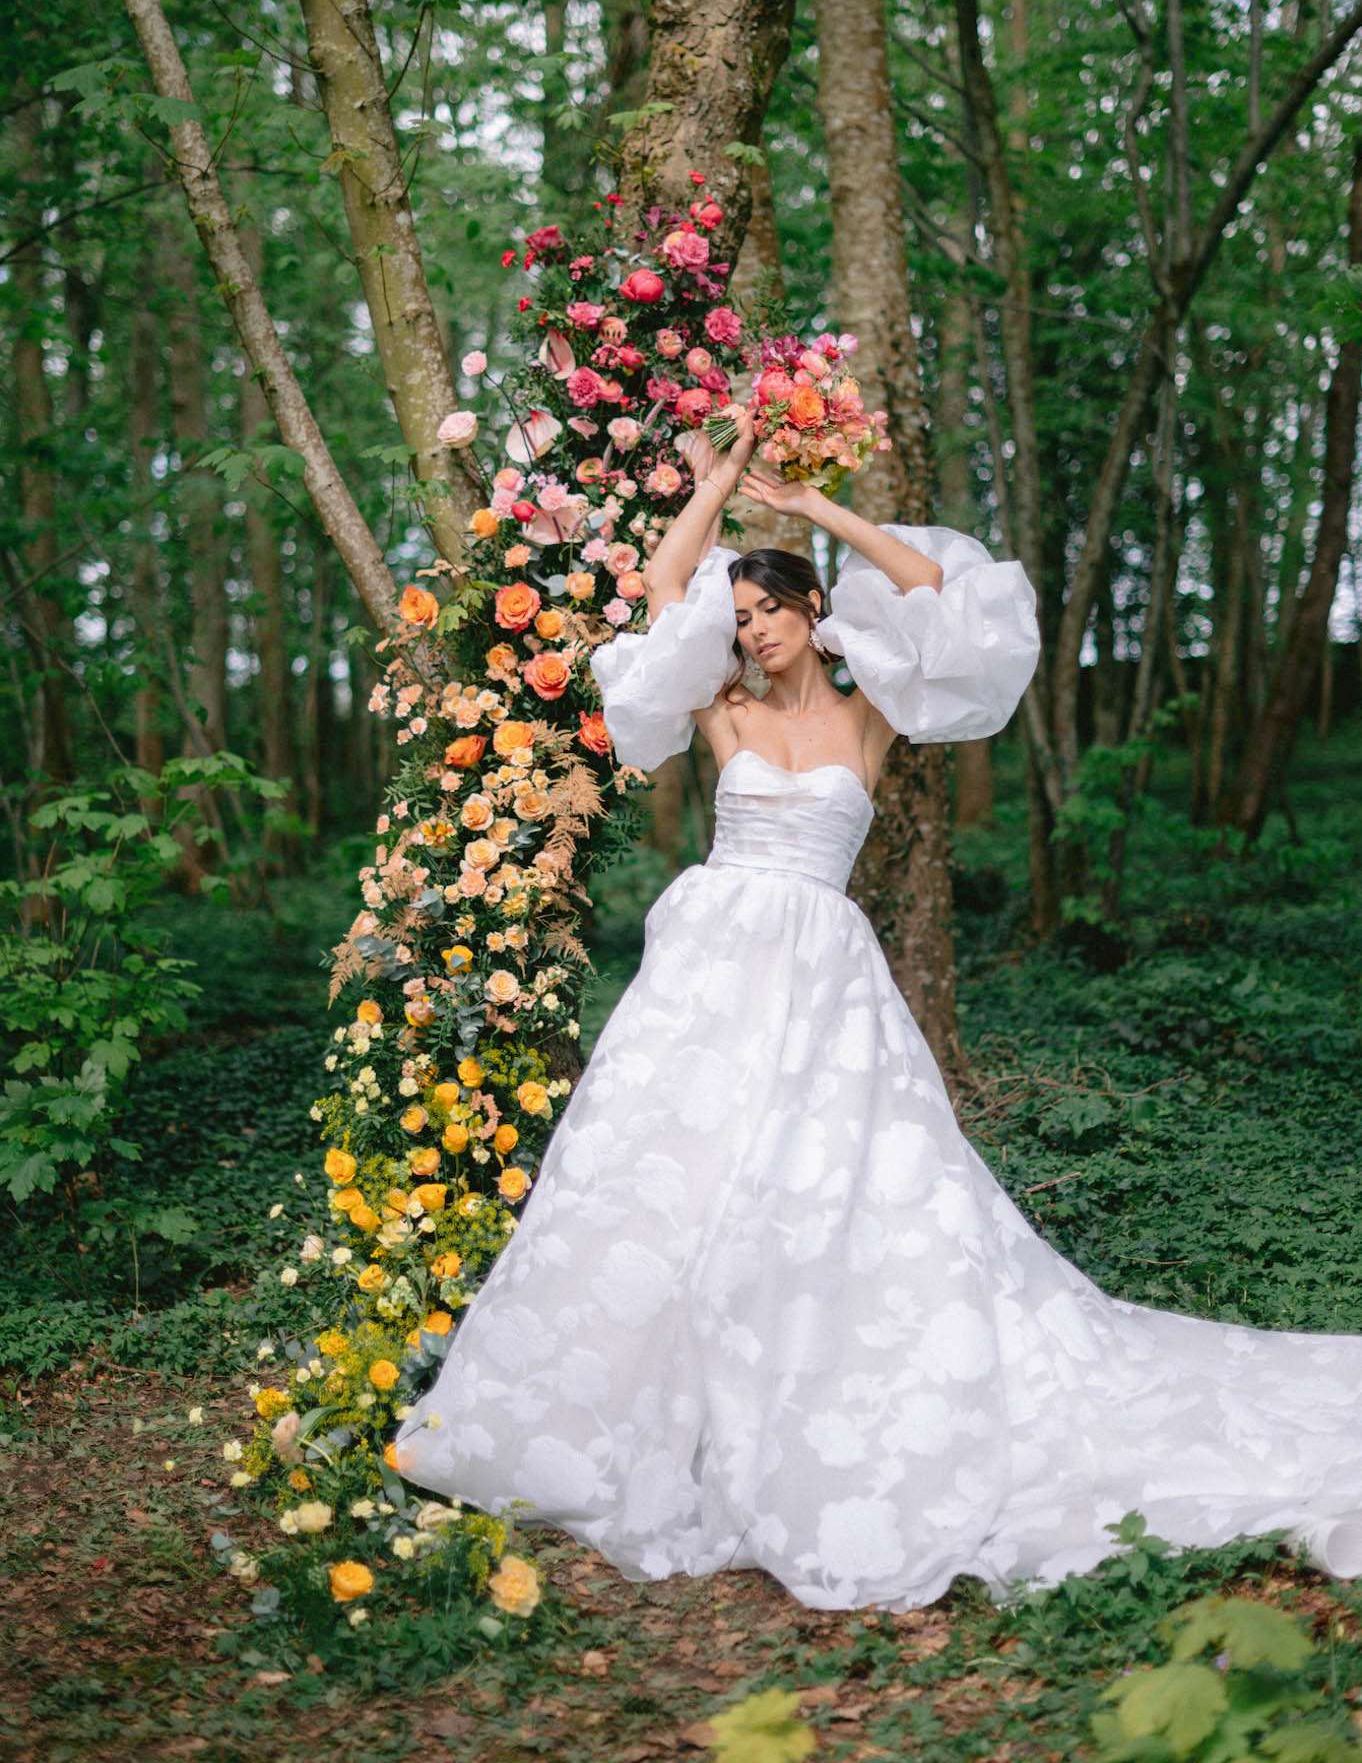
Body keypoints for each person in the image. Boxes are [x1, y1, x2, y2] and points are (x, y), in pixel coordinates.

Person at [392, 409, 1362, 1613]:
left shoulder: (871, 716)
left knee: (839, 1195)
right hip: (709, 974)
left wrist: (809, 510)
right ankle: (634, 1414)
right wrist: (722, 482)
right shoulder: (725, 715)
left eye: (768, 608)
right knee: (664, 1182)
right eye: (739, 617)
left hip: (824, 980)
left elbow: (946, 589)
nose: (748, 629)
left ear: (811, 610)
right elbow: (663, 584)